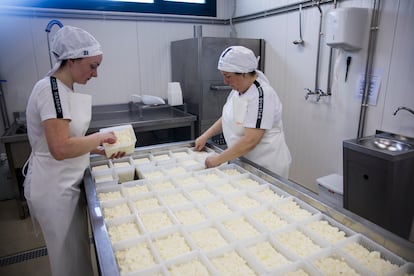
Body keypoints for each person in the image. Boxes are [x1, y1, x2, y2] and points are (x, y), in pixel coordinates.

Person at [23, 25, 124, 276]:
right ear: (71, 60)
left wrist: (98, 148)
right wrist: (99, 136)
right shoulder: (51, 89)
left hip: (69, 181)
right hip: (54, 187)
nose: (96, 74)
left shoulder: (64, 89)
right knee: (67, 262)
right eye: (93, 66)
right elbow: (59, 147)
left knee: (77, 254)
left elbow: (70, 139)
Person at [195, 46, 291, 178]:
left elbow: (251, 140)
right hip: (244, 161)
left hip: (265, 166)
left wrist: (217, 160)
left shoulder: (262, 95)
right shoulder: (238, 89)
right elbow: (228, 117)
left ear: (244, 73)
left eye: (228, 76)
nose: (225, 81)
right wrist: (205, 136)